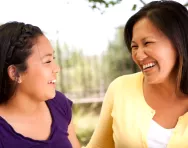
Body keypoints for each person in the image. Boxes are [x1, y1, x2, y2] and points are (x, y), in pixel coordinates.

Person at [86, 1, 188, 148]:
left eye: (147, 43)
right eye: (134, 46)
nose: (139, 55)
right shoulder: (120, 89)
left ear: (178, 42)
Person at [0, 21, 80, 148]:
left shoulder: (59, 104)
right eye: (47, 61)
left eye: (53, 59)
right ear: (15, 73)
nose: (57, 68)